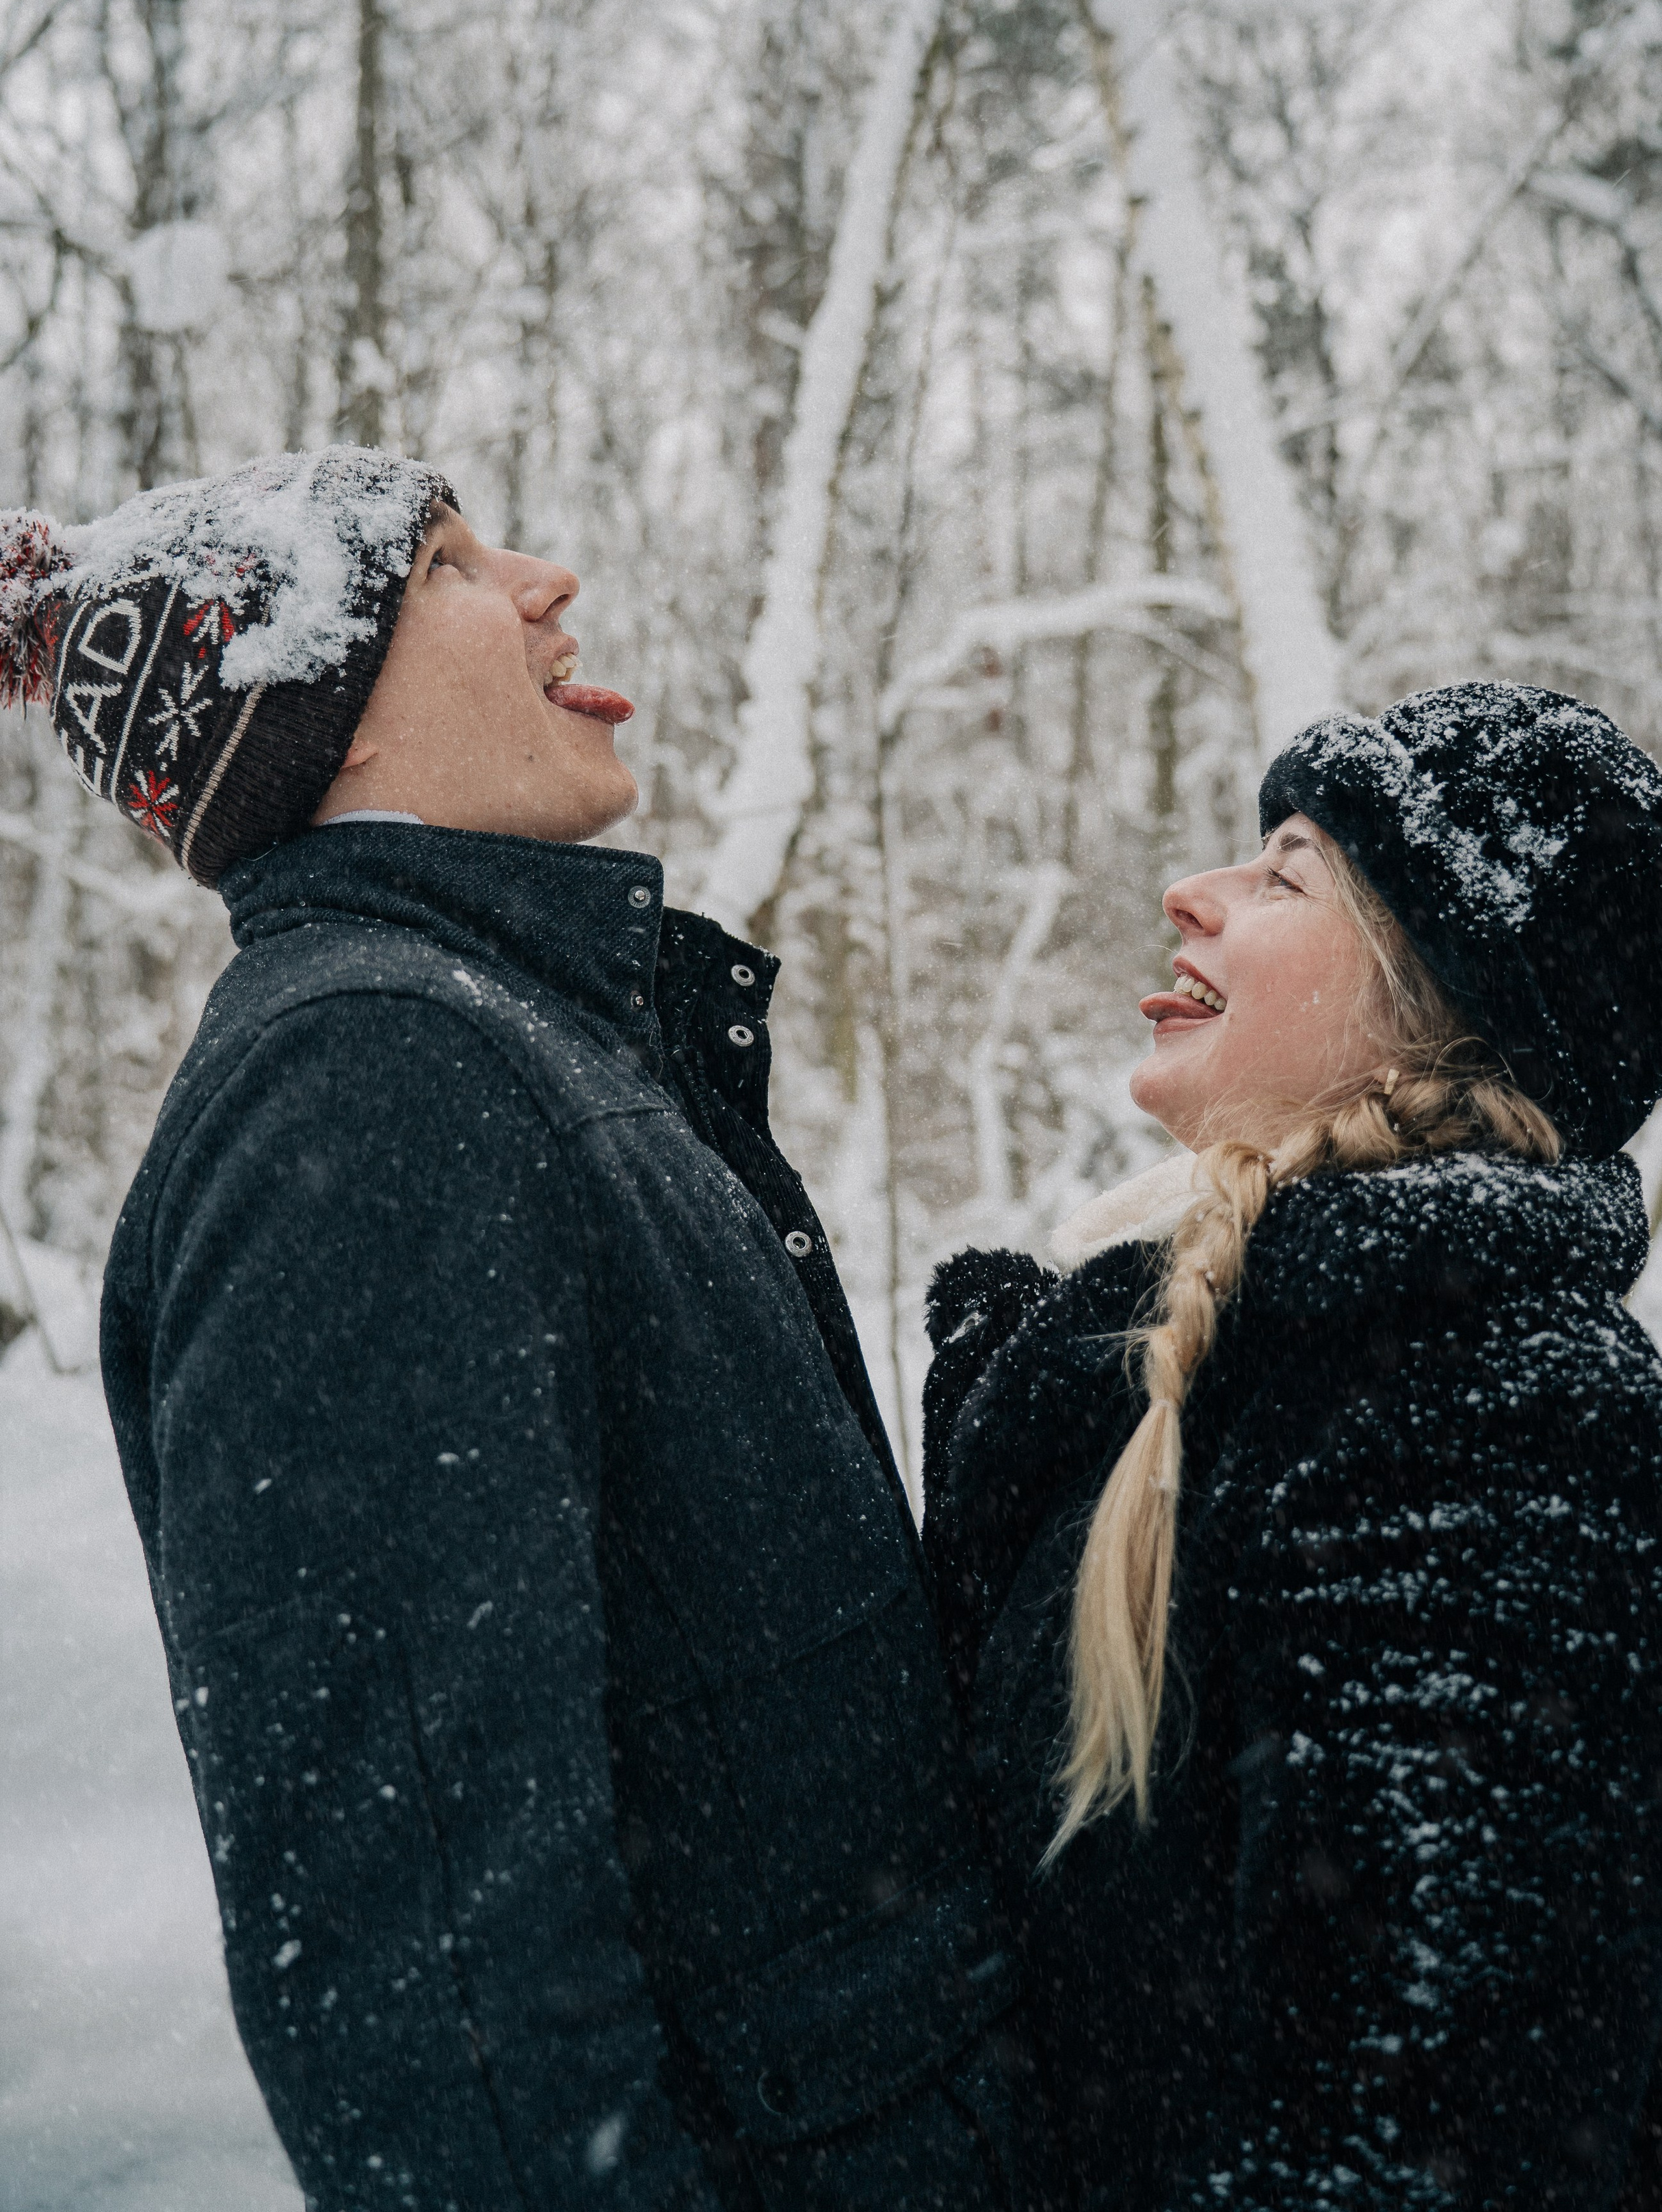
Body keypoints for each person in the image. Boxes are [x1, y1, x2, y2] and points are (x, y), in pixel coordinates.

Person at [0, 447, 1044, 2211]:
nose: (551, 580)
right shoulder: (370, 1082)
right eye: (451, 574)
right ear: (320, 715)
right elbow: (426, 1951)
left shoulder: (507, 1041)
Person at [921, 683, 1662, 2212]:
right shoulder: (1235, 1364)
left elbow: (1423, 2147)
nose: (1191, 891)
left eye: (1285, 871)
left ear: (1431, 996)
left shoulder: (1512, 1431)